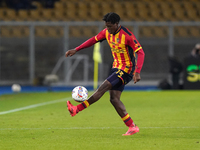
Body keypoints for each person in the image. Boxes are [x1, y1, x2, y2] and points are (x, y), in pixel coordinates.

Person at [65, 12, 145, 136]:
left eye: (110, 26)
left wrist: (137, 72)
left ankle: (77, 109)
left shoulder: (127, 35)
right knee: (114, 99)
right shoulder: (106, 32)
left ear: (117, 24)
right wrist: (76, 49)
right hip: (116, 68)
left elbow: (141, 52)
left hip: (126, 70)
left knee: (102, 87)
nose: (107, 29)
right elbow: (93, 40)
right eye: (106, 26)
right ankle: (132, 127)